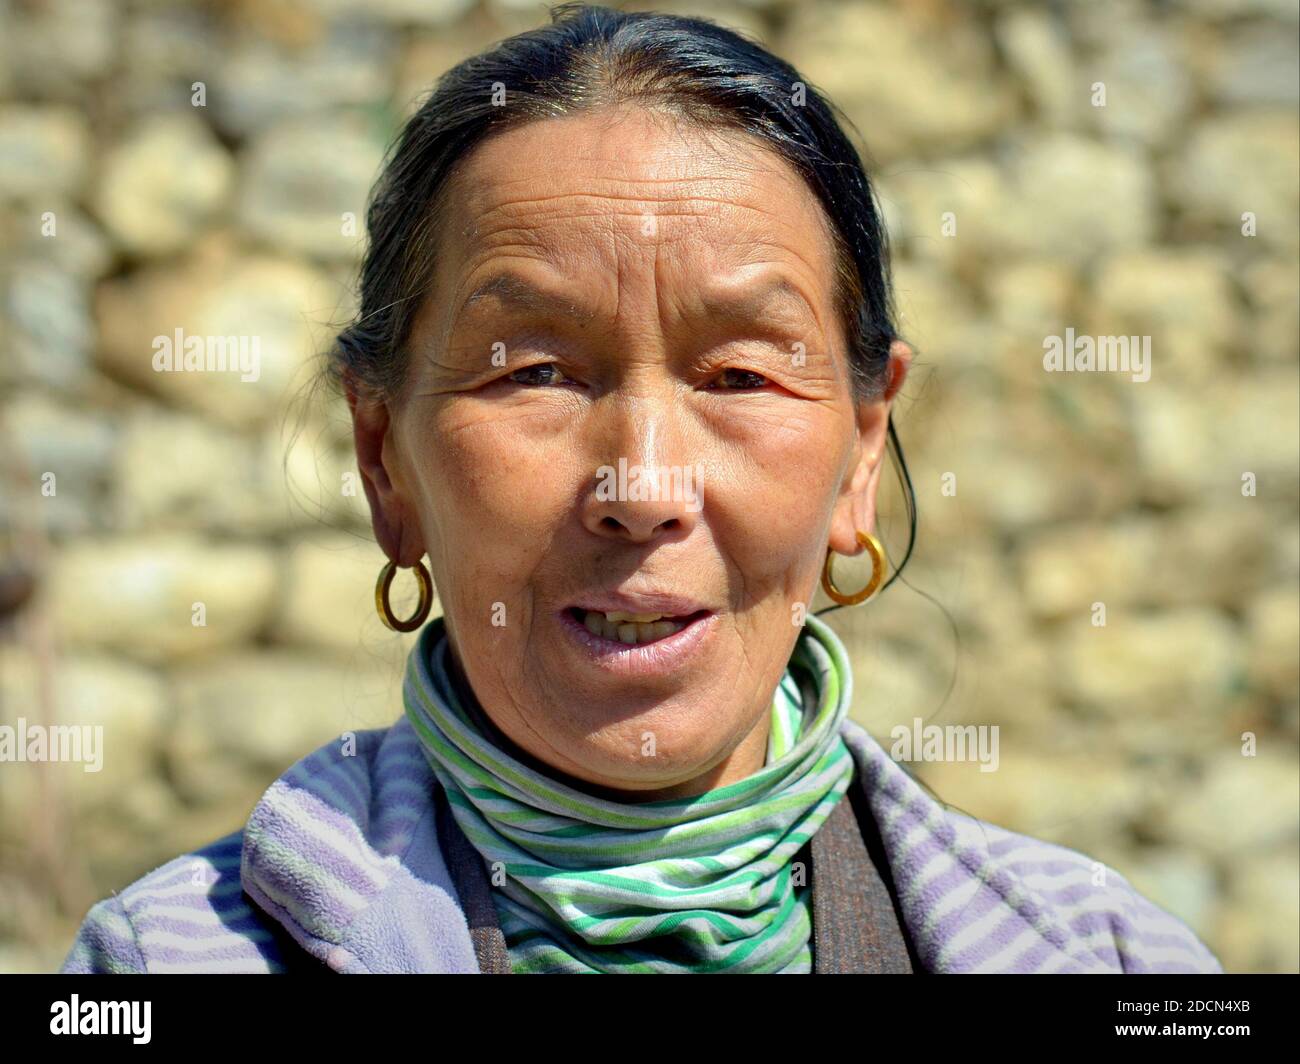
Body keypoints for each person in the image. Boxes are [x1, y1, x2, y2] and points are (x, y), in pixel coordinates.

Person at [61, 3, 1222, 974]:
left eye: (738, 373)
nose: (642, 485)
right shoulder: (169, 962)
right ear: (385, 460)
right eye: (538, 372)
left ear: (862, 452)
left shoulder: (1108, 960)